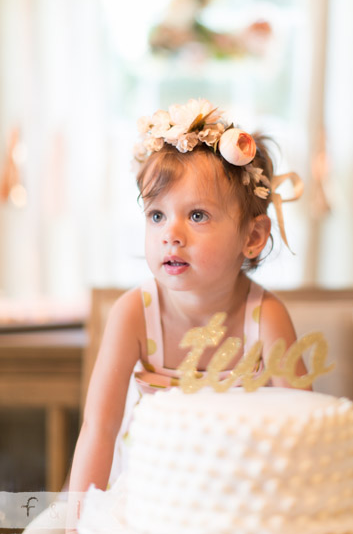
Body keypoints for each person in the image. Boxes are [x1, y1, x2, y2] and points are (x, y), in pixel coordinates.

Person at [26, 98, 308, 533]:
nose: (170, 234)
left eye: (196, 215)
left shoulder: (265, 317)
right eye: (157, 215)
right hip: (147, 499)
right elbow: (99, 429)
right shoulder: (134, 314)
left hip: (244, 499)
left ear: (252, 236)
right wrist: (77, 523)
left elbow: (307, 427)